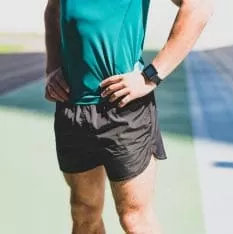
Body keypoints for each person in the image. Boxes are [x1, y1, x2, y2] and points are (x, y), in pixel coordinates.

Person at [44, 0, 212, 233]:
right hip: (73, 106)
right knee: (83, 212)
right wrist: (52, 67)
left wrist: (150, 76)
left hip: (124, 109)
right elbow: (54, 8)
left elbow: (198, 7)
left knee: (135, 220)